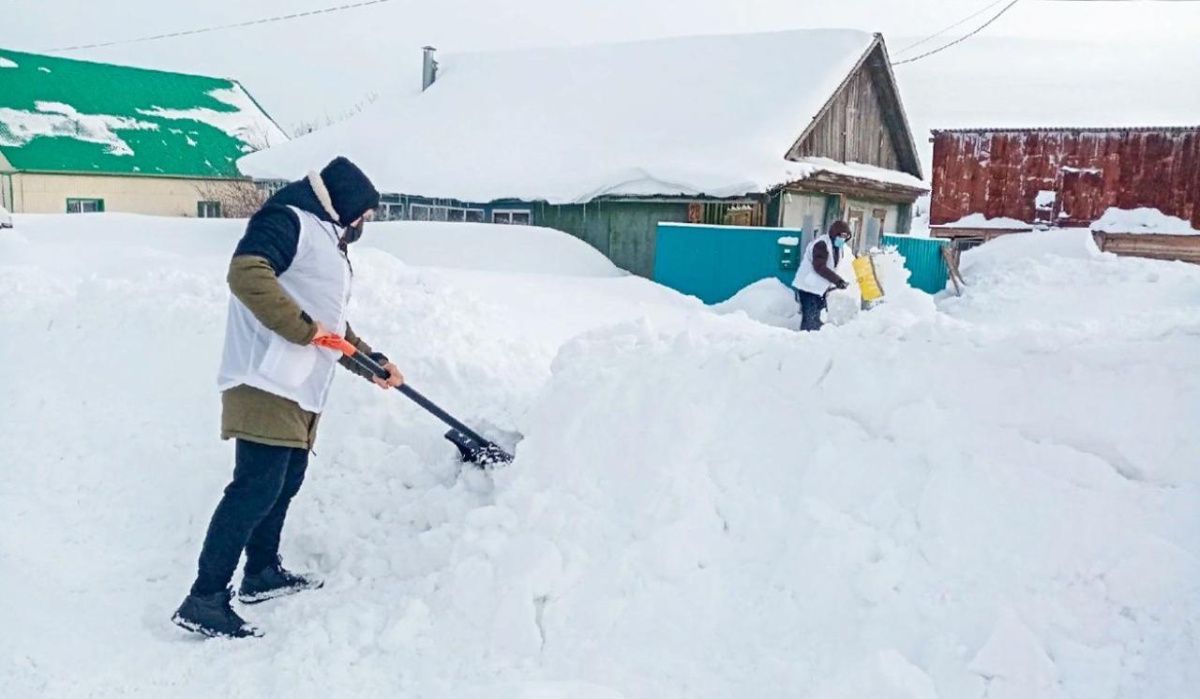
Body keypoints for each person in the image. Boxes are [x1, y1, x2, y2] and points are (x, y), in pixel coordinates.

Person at [172, 157, 404, 639]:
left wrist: (371, 362)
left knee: (284, 480)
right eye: (362, 214)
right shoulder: (288, 220)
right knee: (255, 486)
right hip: (265, 378)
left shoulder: (322, 236)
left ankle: (261, 573)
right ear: (342, 205)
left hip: (296, 386)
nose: (363, 224)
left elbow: (329, 326)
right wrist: (302, 331)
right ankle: (205, 598)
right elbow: (246, 273)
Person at [791, 221, 852, 332]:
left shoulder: (837, 247)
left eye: (846, 237)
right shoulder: (821, 244)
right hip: (808, 287)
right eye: (841, 236)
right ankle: (805, 342)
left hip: (819, 289)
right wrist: (837, 280)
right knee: (810, 321)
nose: (843, 239)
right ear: (834, 234)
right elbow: (819, 267)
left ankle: (814, 342)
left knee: (817, 319)